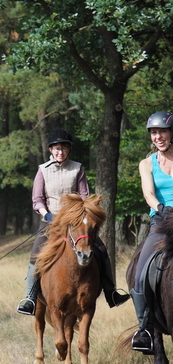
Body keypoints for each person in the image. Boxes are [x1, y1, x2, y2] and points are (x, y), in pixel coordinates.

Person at [16, 128, 130, 316]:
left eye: (64, 148)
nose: (60, 152)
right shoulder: (43, 170)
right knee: (36, 254)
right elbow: (37, 200)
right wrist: (48, 215)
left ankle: (111, 292)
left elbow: (84, 197)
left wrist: (78, 216)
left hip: (75, 222)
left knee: (100, 250)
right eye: (57, 148)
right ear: (51, 150)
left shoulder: (77, 168)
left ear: (69, 149)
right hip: (50, 221)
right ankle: (29, 298)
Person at [130, 111, 173, 353]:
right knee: (140, 269)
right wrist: (160, 207)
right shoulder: (147, 163)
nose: (158, 136)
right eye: (154, 133)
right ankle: (143, 328)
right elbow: (148, 193)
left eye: (163, 131)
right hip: (162, 221)